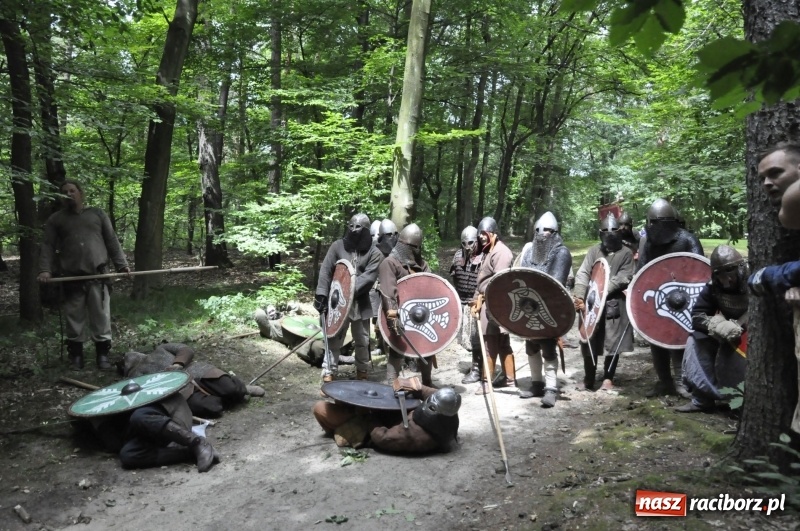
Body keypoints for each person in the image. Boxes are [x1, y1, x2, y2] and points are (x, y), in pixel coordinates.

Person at [38, 180, 130, 371]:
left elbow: (111, 240)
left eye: (73, 190)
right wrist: (45, 269)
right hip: (72, 277)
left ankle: (102, 355)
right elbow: (47, 245)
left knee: (101, 317)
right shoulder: (56, 219)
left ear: (81, 193)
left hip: (98, 275)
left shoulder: (97, 214)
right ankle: (76, 357)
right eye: (65, 192)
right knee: (74, 318)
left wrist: (122, 265)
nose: (69, 194)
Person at [637, 198, 704, 398]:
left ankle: (681, 382)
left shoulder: (687, 239)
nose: (656, 227)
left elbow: (700, 271)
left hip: (683, 299)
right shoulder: (648, 242)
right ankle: (664, 382)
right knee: (656, 340)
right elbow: (642, 271)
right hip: (658, 299)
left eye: (660, 222)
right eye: (653, 223)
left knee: (678, 340)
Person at [676, 245, 748, 413]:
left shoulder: (756, 281)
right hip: (727, 333)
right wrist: (716, 326)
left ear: (740, 268)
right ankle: (703, 399)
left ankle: (743, 401)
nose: (725, 281)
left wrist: (741, 324)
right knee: (694, 341)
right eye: (719, 274)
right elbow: (697, 315)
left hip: (755, 335)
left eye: (729, 272)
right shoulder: (713, 287)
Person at [315, 213, 384, 382]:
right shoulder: (337, 247)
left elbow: (369, 277)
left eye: (358, 227)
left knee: (362, 339)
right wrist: (322, 294)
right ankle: (329, 371)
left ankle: (362, 371)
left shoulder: (374, 253)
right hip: (336, 301)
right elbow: (326, 271)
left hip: (360, 302)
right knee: (334, 337)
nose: (354, 230)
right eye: (351, 226)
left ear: (366, 230)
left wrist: (348, 292)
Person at [312, 376, 460, 454]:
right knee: (342, 399)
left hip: (373, 426)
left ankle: (341, 433)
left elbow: (381, 437)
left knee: (321, 408)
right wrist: (417, 387)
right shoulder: (447, 414)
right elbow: (436, 394)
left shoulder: (413, 436)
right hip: (393, 413)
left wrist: (368, 415)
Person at [119, 342, 265, 418]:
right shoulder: (134, 377)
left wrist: (177, 364)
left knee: (231, 388)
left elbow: (186, 349)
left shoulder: (161, 349)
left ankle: (242, 389)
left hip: (198, 372)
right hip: (181, 390)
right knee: (213, 407)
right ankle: (226, 398)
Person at [516, 212, 573, 407]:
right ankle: (536, 384)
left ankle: (550, 389)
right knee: (531, 346)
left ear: (555, 232)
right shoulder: (530, 251)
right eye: (539, 231)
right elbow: (523, 276)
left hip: (550, 306)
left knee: (548, 348)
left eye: (547, 231)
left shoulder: (561, 252)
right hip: (529, 304)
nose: (542, 234)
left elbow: (555, 284)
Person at [573, 213, 634, 392]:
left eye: (613, 231)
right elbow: (583, 272)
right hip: (591, 303)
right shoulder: (594, 251)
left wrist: (603, 291)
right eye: (605, 232)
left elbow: (624, 277)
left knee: (612, 342)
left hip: (613, 303)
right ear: (600, 234)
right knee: (589, 340)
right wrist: (579, 294)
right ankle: (588, 379)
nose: (609, 234)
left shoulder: (626, 253)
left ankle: (608, 379)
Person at [88, 393, 220, 472]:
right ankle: (191, 452)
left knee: (139, 416)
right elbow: (114, 444)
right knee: (127, 455)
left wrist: (177, 364)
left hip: (167, 414)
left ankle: (196, 442)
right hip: (145, 432)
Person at [378, 223, 436, 386]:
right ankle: (392, 384)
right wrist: (393, 318)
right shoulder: (389, 263)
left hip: (420, 315)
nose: (416, 250)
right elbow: (388, 292)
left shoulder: (422, 264)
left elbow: (431, 286)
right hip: (399, 315)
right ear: (405, 245)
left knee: (427, 347)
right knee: (397, 349)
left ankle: (427, 383)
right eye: (413, 247)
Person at [471, 217, 515, 396]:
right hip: (490, 302)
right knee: (502, 342)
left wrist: (483, 298)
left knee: (490, 343)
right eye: (480, 234)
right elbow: (482, 280)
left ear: (494, 234)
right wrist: (476, 299)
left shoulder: (501, 253)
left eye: (485, 233)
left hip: (496, 304)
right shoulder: (491, 251)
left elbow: (499, 283)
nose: (482, 237)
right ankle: (509, 379)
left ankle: (486, 382)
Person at [254, 304, 355, 366]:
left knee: (338, 334)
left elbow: (299, 309)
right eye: (269, 312)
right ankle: (340, 358)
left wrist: (289, 307)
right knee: (317, 348)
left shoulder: (286, 315)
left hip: (313, 330)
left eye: (273, 310)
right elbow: (259, 314)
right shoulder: (271, 328)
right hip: (300, 340)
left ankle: (347, 347)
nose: (272, 313)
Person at [450, 225, 483, 384]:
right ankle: (476, 365)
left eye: (471, 243)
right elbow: (454, 280)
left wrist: (478, 300)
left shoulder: (483, 257)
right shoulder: (457, 256)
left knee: (477, 338)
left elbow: (484, 282)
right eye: (464, 243)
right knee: (467, 339)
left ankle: (477, 369)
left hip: (477, 302)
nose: (467, 247)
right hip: (462, 301)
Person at [370, 220, 399, 358]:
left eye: (394, 234)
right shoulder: (374, 251)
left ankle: (395, 350)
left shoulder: (399, 250)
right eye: (388, 234)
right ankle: (380, 345)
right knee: (378, 320)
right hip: (376, 290)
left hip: (392, 290)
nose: (392, 238)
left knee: (394, 319)